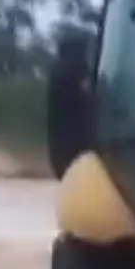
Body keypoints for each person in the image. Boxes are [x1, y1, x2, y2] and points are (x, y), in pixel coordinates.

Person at [46, 31, 93, 179]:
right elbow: (87, 92)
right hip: (78, 139)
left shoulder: (56, 68)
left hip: (58, 139)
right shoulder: (79, 67)